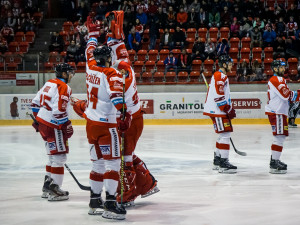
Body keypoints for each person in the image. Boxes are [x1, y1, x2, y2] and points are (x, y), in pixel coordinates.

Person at [80, 27, 128, 220]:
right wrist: (124, 114)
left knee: (98, 164)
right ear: (108, 58)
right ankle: (110, 203)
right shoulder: (111, 73)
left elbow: (88, 50)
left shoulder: (90, 65)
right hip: (106, 125)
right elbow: (117, 101)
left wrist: (92, 36)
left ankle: (94, 201)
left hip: (90, 124)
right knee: (113, 164)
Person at [111, 60, 159, 206]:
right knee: (126, 156)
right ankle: (147, 184)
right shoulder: (128, 71)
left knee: (124, 158)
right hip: (134, 119)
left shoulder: (123, 82)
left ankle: (127, 195)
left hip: (130, 122)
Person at [30, 63, 75, 201]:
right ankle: (55, 190)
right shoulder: (64, 87)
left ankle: (47, 186)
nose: (71, 75)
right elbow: (59, 111)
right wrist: (66, 125)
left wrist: (38, 120)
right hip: (54, 125)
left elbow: (35, 103)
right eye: (69, 72)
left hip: (44, 123)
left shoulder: (49, 83)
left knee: (52, 157)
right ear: (63, 74)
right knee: (59, 157)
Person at [203, 55, 237, 173]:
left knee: (223, 135)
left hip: (218, 110)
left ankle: (218, 160)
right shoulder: (220, 76)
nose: (231, 65)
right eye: (229, 63)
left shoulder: (220, 76)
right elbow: (219, 96)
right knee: (225, 135)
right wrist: (227, 109)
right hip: (218, 111)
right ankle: (224, 162)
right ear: (223, 64)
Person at [265, 60, 300, 174]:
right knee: (279, 137)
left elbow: (287, 95)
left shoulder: (280, 80)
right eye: (281, 67)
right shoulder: (275, 80)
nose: (283, 69)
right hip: (277, 112)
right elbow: (286, 95)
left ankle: (275, 160)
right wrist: (298, 94)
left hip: (279, 112)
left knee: (281, 136)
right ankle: (274, 162)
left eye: (284, 67)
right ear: (275, 69)